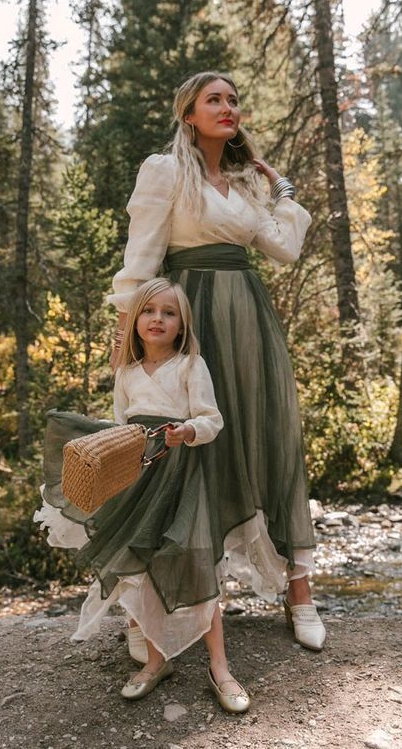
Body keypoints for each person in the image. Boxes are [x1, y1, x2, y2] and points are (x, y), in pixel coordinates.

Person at [108, 71, 326, 653]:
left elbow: (282, 247)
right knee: (174, 453)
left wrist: (282, 191)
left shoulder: (244, 181)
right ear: (189, 114)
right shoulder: (164, 170)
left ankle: (299, 591)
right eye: (215, 100)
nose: (228, 107)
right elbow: (143, 258)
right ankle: (151, 612)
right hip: (190, 319)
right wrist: (131, 333)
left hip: (249, 320)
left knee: (270, 438)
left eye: (233, 99)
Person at [35, 277, 251, 713]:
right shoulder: (128, 374)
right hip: (137, 477)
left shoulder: (191, 365)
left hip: (182, 476)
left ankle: (220, 668)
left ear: (181, 324)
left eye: (169, 313)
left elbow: (212, 419)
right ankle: (156, 661)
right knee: (138, 566)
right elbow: (119, 425)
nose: (158, 319)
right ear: (135, 321)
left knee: (197, 564)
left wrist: (188, 430)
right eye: (150, 311)